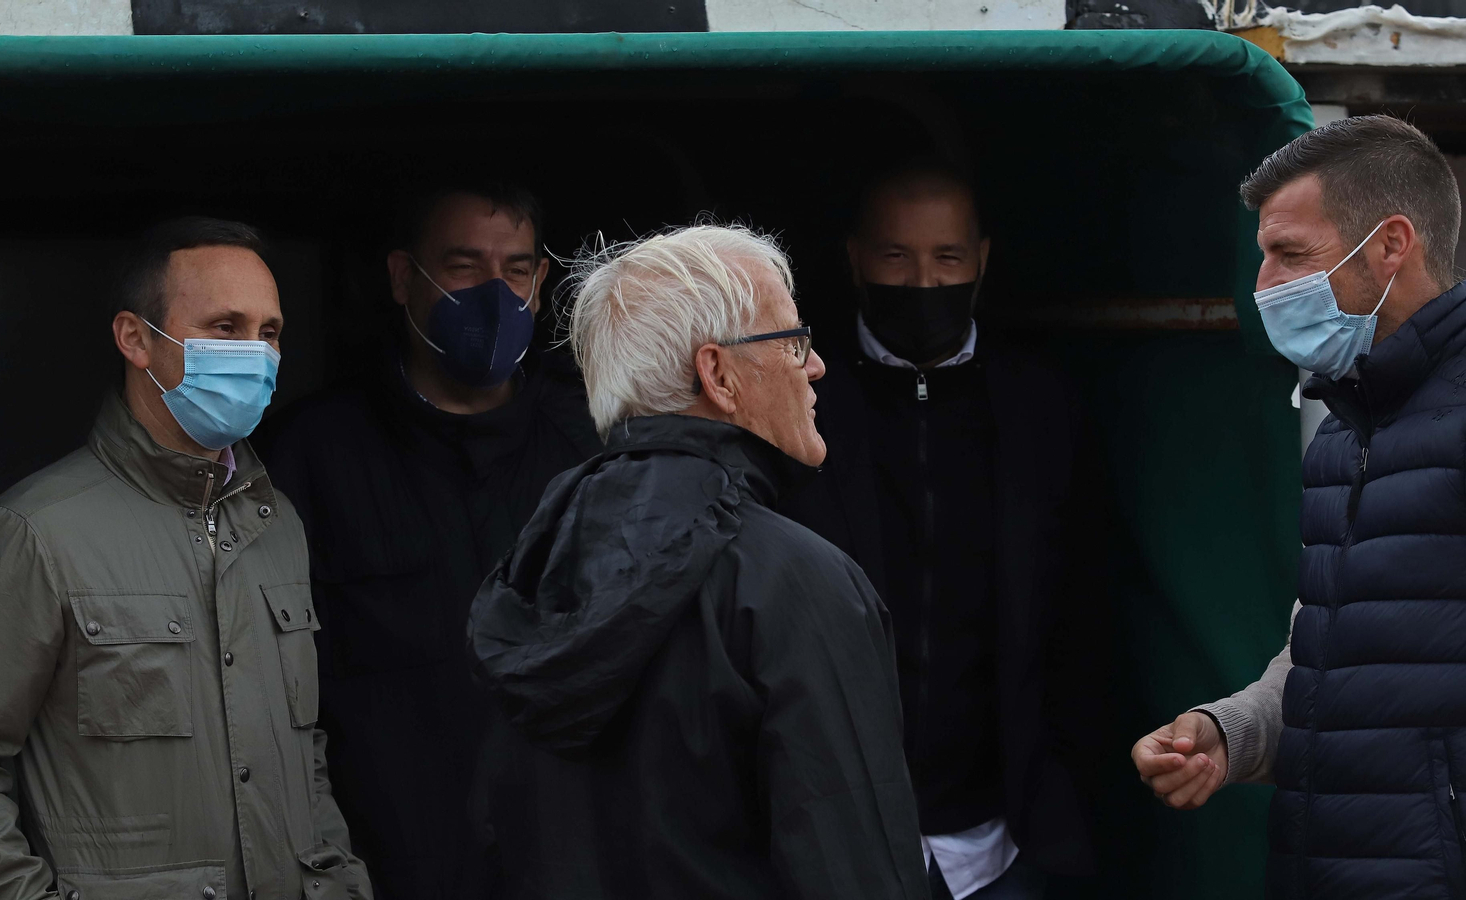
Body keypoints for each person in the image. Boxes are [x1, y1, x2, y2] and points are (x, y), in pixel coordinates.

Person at [0, 217, 371, 900]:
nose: (256, 354)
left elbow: (303, 755)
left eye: (269, 332)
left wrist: (339, 878)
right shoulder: (34, 532)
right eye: (225, 327)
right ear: (135, 338)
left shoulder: (277, 524)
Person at [466, 223, 931, 899]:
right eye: (793, 340)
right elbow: (855, 870)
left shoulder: (534, 564)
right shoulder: (796, 582)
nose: (816, 365)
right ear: (718, 374)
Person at [1131, 115, 1466, 899]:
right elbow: (1337, 662)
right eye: (1263, 258)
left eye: (1291, 255)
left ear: (1391, 245)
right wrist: (1229, 734)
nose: (1265, 287)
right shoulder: (1342, 434)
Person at [263, 182, 602, 898]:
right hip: (386, 863)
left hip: (574, 859)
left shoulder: (596, 445)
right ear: (401, 277)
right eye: (462, 266)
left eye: (515, 270)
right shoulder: (311, 454)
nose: (494, 292)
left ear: (542, 282)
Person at [782, 160, 1100, 900]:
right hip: (837, 838)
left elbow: (1082, 617)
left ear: (982, 260)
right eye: (897, 257)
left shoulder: (1041, 404)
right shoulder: (797, 399)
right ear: (855, 258)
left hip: (1008, 841)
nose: (924, 284)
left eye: (947, 258)